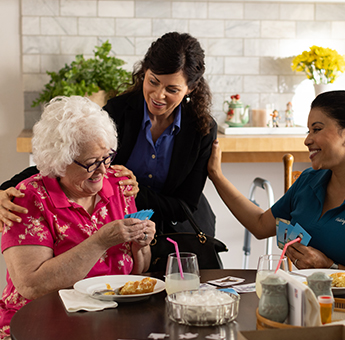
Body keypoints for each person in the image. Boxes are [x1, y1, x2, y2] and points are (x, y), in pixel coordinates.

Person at [0, 96, 156, 340]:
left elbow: (137, 271)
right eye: (89, 163)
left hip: (107, 331)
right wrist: (100, 241)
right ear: (58, 160)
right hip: (30, 334)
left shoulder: (119, 185)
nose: (101, 171)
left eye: (106, 158)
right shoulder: (27, 201)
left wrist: (142, 244)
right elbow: (31, 284)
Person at [0, 31, 217, 239]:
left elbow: (183, 207)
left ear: (190, 88)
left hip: (181, 232)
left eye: (172, 89)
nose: (158, 95)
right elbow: (65, 159)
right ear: (144, 72)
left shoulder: (202, 129)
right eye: (153, 81)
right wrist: (5, 188)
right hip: (125, 229)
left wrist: (135, 192)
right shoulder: (119, 112)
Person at [208, 90, 345, 273]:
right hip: (304, 306)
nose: (307, 140)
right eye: (308, 131)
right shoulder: (308, 181)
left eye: (316, 129)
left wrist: (330, 267)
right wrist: (216, 175)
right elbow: (261, 225)